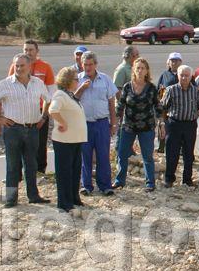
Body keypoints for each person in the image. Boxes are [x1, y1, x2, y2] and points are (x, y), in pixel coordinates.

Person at [0, 53, 52, 208]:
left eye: (22, 65)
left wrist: (43, 117)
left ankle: (33, 196)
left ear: (29, 66)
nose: (19, 68)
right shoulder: (6, 84)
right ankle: (11, 199)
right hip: (13, 129)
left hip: (33, 129)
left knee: (31, 164)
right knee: (12, 165)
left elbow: (48, 99)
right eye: (16, 65)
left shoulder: (38, 83)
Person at [6, 39, 55, 174]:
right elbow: (9, 87)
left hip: (39, 111)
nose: (28, 52)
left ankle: (40, 171)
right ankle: (19, 173)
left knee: (39, 143)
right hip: (19, 111)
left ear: (37, 51)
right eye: (25, 50)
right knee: (19, 143)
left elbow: (51, 92)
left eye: (31, 50)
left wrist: (44, 116)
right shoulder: (15, 66)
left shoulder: (45, 67)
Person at [112, 58, 161, 192]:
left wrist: (161, 122)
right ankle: (119, 181)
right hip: (128, 126)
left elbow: (158, 106)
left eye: (142, 68)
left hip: (146, 127)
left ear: (147, 71)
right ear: (133, 69)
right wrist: (114, 121)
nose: (140, 70)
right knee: (122, 154)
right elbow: (121, 105)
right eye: (137, 68)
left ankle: (150, 182)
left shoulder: (151, 88)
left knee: (147, 156)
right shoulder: (128, 86)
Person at [76, 51, 119, 196]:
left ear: (95, 65)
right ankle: (86, 185)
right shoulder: (77, 79)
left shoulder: (105, 79)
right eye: (85, 64)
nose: (87, 67)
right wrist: (81, 89)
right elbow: (72, 99)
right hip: (84, 124)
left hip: (101, 123)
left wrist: (113, 124)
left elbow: (111, 102)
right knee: (85, 155)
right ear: (81, 65)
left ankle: (105, 185)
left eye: (90, 64)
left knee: (103, 155)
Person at [48, 67, 86, 215]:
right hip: (64, 141)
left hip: (75, 140)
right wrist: (62, 123)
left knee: (75, 170)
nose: (78, 81)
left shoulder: (69, 95)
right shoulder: (60, 95)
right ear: (68, 81)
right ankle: (64, 202)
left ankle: (73, 198)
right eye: (76, 79)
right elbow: (53, 110)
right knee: (64, 172)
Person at [160, 65, 199, 187]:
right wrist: (163, 123)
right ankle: (169, 179)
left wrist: (196, 114)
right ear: (177, 76)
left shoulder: (195, 91)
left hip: (190, 124)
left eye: (186, 75)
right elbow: (163, 108)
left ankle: (187, 179)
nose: (184, 78)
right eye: (181, 75)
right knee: (172, 153)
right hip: (174, 124)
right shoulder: (171, 90)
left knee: (189, 153)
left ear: (191, 77)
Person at [155, 52, 183, 153]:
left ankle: (178, 150)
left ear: (181, 62)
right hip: (166, 106)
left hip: (180, 107)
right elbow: (158, 90)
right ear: (169, 62)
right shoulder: (164, 75)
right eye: (172, 60)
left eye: (176, 60)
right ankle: (161, 148)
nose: (174, 63)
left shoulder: (184, 74)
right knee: (163, 126)